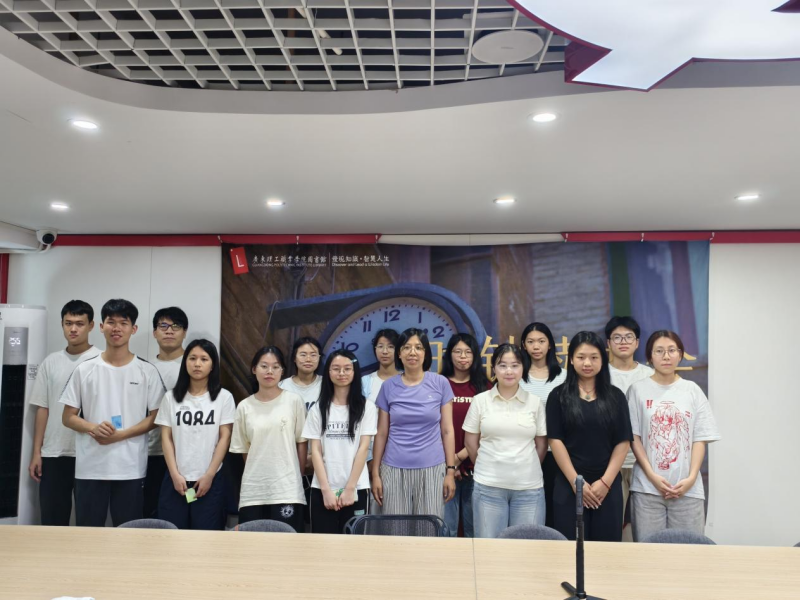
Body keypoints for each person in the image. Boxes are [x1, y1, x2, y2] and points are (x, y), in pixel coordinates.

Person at [60, 299, 165, 527]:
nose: (116, 328)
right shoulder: (84, 369)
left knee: (129, 534)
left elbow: (157, 417)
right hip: (90, 468)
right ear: (101, 326)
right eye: (111, 322)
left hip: (130, 468)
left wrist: (122, 435)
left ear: (133, 329)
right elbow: (67, 417)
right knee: (88, 533)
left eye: (123, 323)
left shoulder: (147, 371)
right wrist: (93, 427)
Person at [628, 330, 721, 542]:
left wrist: (691, 478)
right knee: (649, 552)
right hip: (647, 490)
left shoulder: (692, 390)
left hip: (687, 491)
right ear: (650, 357)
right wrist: (652, 476)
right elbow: (634, 438)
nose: (666, 356)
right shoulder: (637, 390)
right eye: (659, 351)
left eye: (672, 350)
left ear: (680, 354)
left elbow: (700, 438)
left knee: (689, 552)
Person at [546, 331, 632, 542]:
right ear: (571, 360)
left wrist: (606, 482)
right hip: (568, 486)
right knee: (569, 548)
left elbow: (623, 441)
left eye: (594, 357)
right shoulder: (558, 396)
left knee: (606, 551)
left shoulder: (616, 396)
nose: (587, 363)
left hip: (607, 487)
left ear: (603, 360)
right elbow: (555, 440)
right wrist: (577, 484)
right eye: (581, 357)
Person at [371, 328, 456, 520]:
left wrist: (450, 472)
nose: (412, 352)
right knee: (395, 529)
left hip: (432, 468)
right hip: (393, 468)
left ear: (426, 353)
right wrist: (376, 474)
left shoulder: (440, 383)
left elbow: (447, 431)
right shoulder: (388, 386)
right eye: (406, 347)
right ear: (399, 353)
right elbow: (381, 433)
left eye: (418, 347)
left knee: (428, 529)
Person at [28, 300, 100, 526]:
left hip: (90, 453)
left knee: (90, 522)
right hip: (54, 453)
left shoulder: (102, 360)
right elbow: (43, 408)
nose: (73, 329)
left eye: (80, 323)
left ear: (91, 326)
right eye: (68, 323)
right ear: (62, 324)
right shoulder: (50, 362)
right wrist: (37, 452)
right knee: (52, 520)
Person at [464, 343, 547, 538]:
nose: (509, 371)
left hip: (529, 489)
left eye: (515, 365)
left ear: (523, 368)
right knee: (490, 549)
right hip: (488, 488)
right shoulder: (480, 400)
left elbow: (542, 445)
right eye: (502, 365)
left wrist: (524, 466)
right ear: (493, 368)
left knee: (527, 549)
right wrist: (487, 465)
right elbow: (470, 442)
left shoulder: (535, 402)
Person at [155, 339, 235, 530]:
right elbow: (166, 437)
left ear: (212, 365)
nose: (197, 364)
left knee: (206, 536)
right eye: (192, 358)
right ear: (185, 363)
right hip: (177, 480)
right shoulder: (171, 398)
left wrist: (209, 475)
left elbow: (225, 437)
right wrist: (175, 475)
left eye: (204, 359)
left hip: (209, 480)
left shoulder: (224, 397)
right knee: (173, 534)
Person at [230, 346, 307, 531]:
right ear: (254, 369)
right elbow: (245, 451)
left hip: (287, 490)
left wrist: (297, 476)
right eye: (264, 366)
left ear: (282, 371)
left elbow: (302, 442)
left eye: (275, 366)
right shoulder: (244, 407)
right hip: (253, 491)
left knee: (287, 544)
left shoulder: (294, 401)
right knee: (253, 544)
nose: (269, 371)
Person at [302, 350, 377, 534]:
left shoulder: (367, 407)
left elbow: (363, 449)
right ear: (328, 372)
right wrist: (326, 490)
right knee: (323, 544)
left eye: (347, 369)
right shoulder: (318, 409)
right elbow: (316, 451)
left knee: (354, 545)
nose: (342, 373)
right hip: (323, 489)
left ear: (355, 371)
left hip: (356, 488)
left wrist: (350, 488)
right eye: (336, 369)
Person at [604, 316, 654, 537]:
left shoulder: (650, 375)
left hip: (644, 461)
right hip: (609, 461)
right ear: (608, 343)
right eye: (617, 337)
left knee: (644, 525)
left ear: (637, 342)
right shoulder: (600, 375)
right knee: (612, 522)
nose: (623, 342)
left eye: (628, 337)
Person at [440, 332, 490, 537]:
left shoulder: (485, 387)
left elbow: (488, 429)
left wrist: (460, 457)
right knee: (446, 530)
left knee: (474, 532)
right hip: (444, 468)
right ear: (449, 355)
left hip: (475, 468)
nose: (463, 357)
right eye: (457, 352)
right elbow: (435, 427)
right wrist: (450, 464)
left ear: (475, 355)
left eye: (468, 352)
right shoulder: (440, 384)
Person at [518, 322, 566, 528]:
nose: (536, 346)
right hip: (524, 452)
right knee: (529, 510)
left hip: (557, 453)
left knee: (556, 509)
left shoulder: (564, 376)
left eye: (541, 341)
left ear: (550, 344)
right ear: (523, 345)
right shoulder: (517, 376)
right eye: (530, 342)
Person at [144, 306, 188, 519]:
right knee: (151, 510)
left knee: (187, 505)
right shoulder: (144, 368)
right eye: (163, 326)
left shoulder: (194, 366)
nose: (169, 331)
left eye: (176, 326)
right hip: (150, 453)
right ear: (154, 332)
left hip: (186, 456)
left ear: (184, 332)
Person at [280, 336, 324, 411]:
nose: (308, 359)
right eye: (303, 355)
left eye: (313, 355)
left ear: (319, 358)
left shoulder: (325, 384)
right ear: (294, 358)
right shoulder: (282, 387)